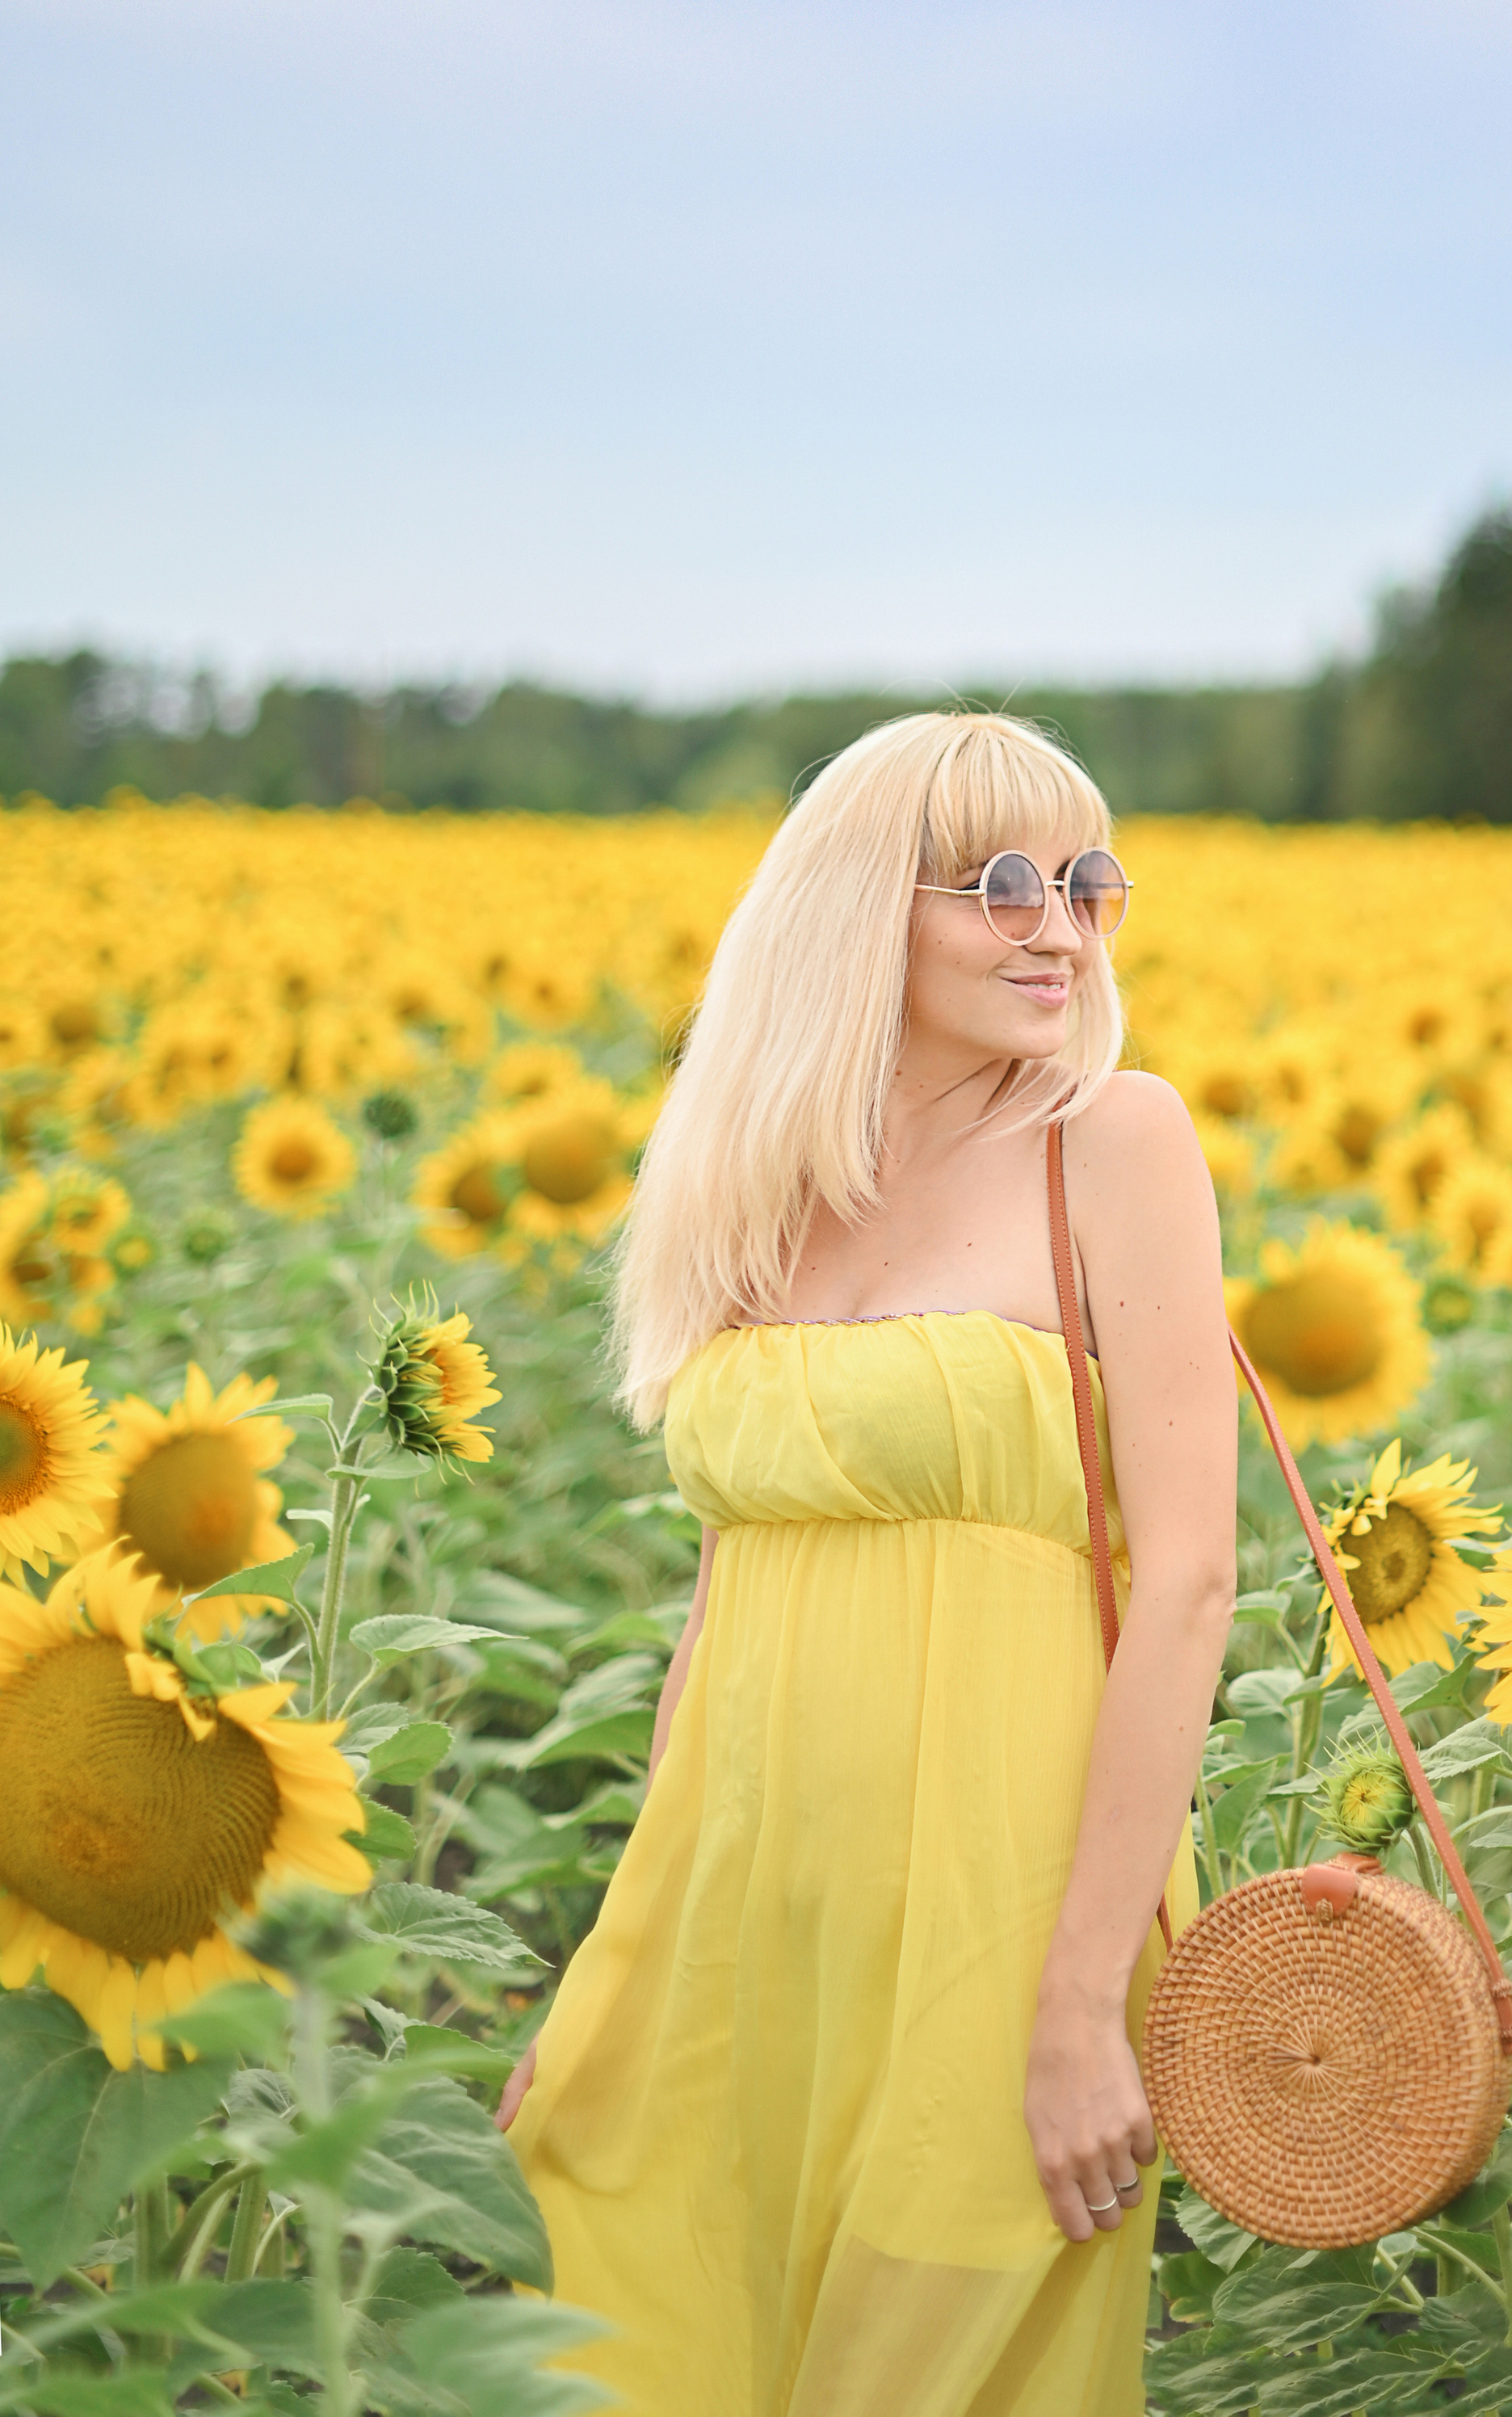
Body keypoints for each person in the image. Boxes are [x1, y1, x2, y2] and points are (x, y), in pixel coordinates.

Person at [496, 711, 1236, 2414]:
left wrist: (1076, 1999)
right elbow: (716, 1612)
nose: (1058, 926)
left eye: (1084, 881)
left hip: (1000, 1914)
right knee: (647, 2342)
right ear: (854, 911)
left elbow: (1186, 1581)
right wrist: (614, 1963)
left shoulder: (1108, 1141)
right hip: (738, 1913)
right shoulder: (761, 1193)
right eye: (997, 885)